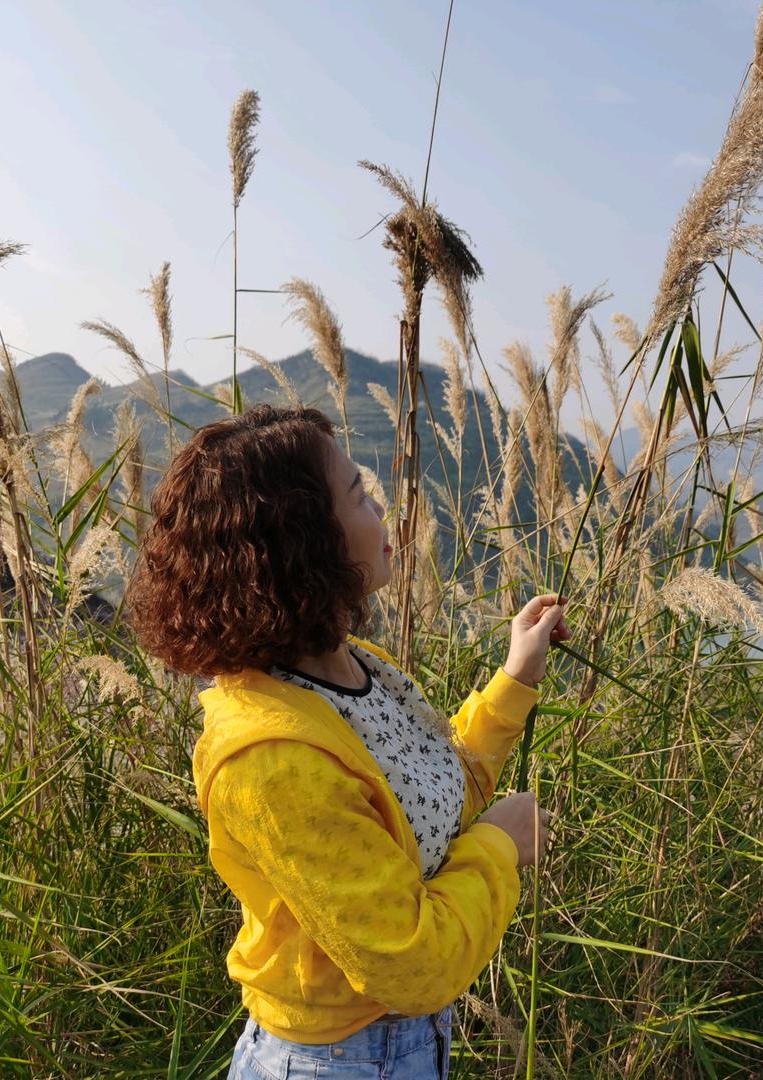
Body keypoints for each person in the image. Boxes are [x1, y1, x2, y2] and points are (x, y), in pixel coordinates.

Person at [125, 403, 570, 1079]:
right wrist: (501, 848)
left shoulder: (347, 669)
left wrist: (516, 677)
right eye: (360, 495)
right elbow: (412, 964)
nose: (382, 510)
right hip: (338, 1062)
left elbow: (428, 803)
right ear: (304, 541)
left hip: (398, 1049)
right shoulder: (273, 757)